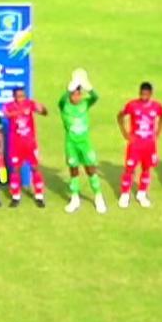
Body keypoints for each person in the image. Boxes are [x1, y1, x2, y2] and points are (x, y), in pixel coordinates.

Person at [59, 70, 104, 214]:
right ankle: (75, 198)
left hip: (85, 143)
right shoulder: (64, 105)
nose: (76, 97)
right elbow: (61, 100)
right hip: (71, 144)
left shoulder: (85, 103)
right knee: (73, 170)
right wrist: (70, 88)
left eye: (78, 94)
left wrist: (87, 86)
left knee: (91, 169)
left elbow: (96, 97)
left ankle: (98, 196)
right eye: (73, 94)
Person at [117, 82, 162, 209]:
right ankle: (125, 194)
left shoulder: (157, 107)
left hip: (149, 145)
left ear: (150, 94)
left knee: (146, 169)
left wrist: (157, 133)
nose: (143, 96)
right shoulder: (132, 105)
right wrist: (125, 134)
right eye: (142, 94)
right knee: (129, 169)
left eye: (146, 94)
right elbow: (120, 116)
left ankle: (142, 193)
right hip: (135, 145)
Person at [2, 87, 47, 207]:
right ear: (14, 96)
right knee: (15, 169)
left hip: (30, 144)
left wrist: (41, 108)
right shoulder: (8, 106)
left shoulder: (29, 104)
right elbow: (6, 114)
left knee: (35, 168)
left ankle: (39, 196)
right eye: (19, 96)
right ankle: (15, 196)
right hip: (16, 144)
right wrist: (20, 112)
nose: (21, 98)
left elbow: (44, 112)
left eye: (23, 96)